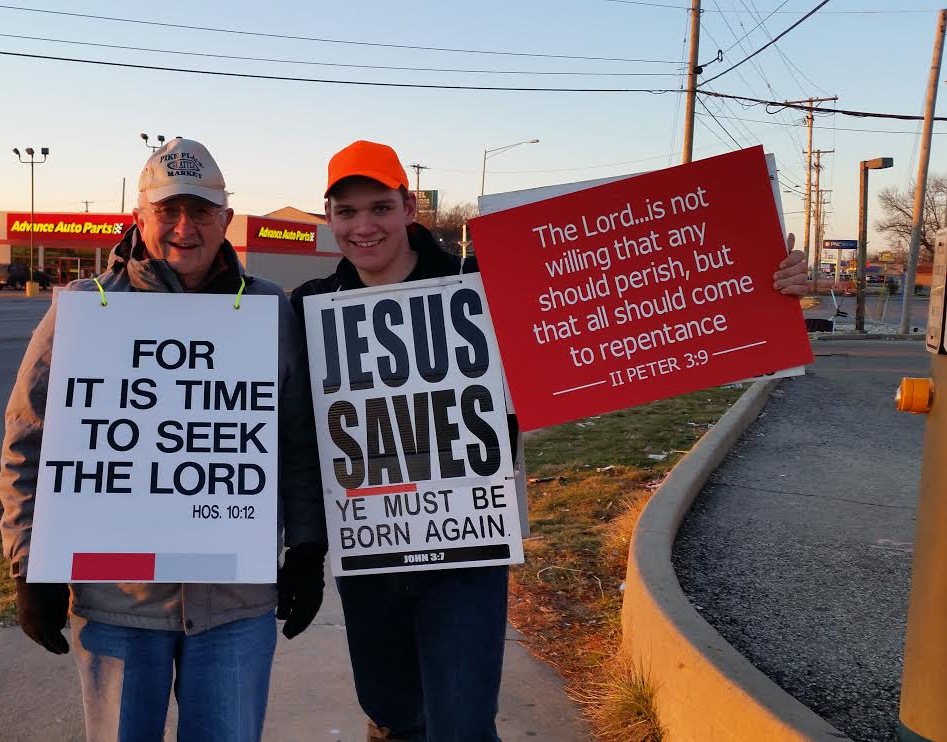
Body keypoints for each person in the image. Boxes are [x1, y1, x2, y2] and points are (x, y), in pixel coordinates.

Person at [290, 140, 813, 742]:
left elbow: (637, 303)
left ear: (409, 208)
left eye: (379, 207)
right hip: (371, 553)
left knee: (461, 725)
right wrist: (306, 549)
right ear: (329, 218)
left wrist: (766, 287)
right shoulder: (311, 309)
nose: (364, 226)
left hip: (466, 555)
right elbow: (301, 439)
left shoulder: (484, 288)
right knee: (392, 712)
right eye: (347, 211)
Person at [0, 137, 327, 742]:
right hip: (119, 605)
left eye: (201, 211)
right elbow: (28, 445)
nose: (185, 227)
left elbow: (297, 444)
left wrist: (307, 548)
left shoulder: (264, 309)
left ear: (227, 219)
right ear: (139, 216)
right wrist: (30, 566)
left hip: (235, 604)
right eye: (168, 211)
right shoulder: (85, 308)